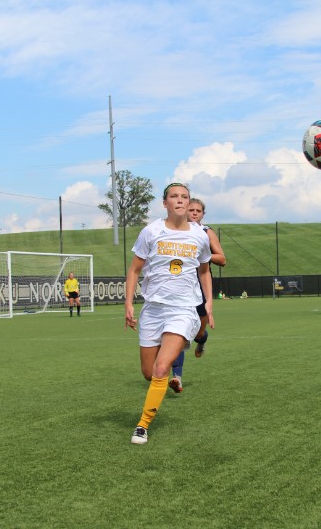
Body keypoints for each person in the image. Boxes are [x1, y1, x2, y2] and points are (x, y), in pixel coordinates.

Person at [124, 183, 213, 445]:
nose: (180, 200)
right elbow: (134, 270)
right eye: (174, 196)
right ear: (165, 203)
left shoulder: (200, 236)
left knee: (163, 368)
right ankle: (164, 384)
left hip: (184, 309)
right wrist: (129, 304)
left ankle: (142, 425)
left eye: (184, 197)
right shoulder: (151, 232)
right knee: (149, 373)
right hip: (153, 309)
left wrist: (208, 303)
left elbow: (205, 271)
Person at [168, 197, 226, 393]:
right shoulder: (174, 231)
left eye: (197, 211)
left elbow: (222, 258)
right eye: (190, 210)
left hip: (200, 286)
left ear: (202, 214)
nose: (193, 213)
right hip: (179, 287)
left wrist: (201, 256)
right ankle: (177, 377)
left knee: (198, 333)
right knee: (180, 332)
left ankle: (202, 341)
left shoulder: (205, 232)